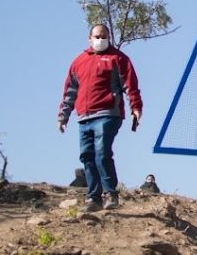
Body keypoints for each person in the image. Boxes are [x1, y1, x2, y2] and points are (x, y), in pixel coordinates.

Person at [57, 23, 143, 212]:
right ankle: (93, 197)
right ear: (90, 39)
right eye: (97, 36)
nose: (100, 40)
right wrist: (63, 116)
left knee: (102, 152)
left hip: (108, 113)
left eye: (104, 36)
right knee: (87, 156)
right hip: (84, 116)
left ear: (109, 38)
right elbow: (70, 91)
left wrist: (135, 107)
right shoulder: (79, 61)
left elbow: (130, 85)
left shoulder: (118, 59)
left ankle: (111, 193)